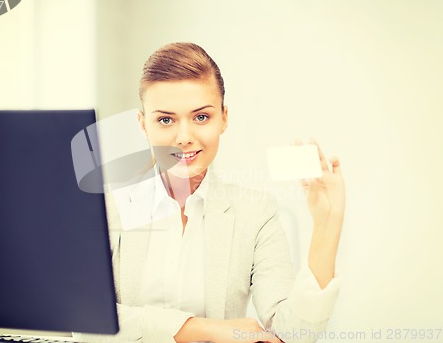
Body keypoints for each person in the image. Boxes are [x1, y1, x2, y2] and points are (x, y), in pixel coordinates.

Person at [75, 42, 345, 343]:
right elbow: (85, 322)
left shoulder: (255, 213)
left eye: (201, 117)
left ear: (223, 118)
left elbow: (294, 335)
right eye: (165, 119)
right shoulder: (107, 207)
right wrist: (200, 329)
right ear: (143, 124)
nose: (184, 138)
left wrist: (327, 223)